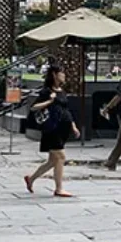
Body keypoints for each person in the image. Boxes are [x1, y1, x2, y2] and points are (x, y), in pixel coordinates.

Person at [24, 63, 80, 196]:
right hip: (52, 128)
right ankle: (59, 188)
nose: (64, 75)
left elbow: (66, 109)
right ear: (54, 75)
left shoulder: (62, 91)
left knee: (52, 160)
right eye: (62, 73)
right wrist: (49, 101)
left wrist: (73, 125)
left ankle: (31, 179)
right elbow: (34, 107)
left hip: (63, 127)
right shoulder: (47, 91)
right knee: (60, 157)